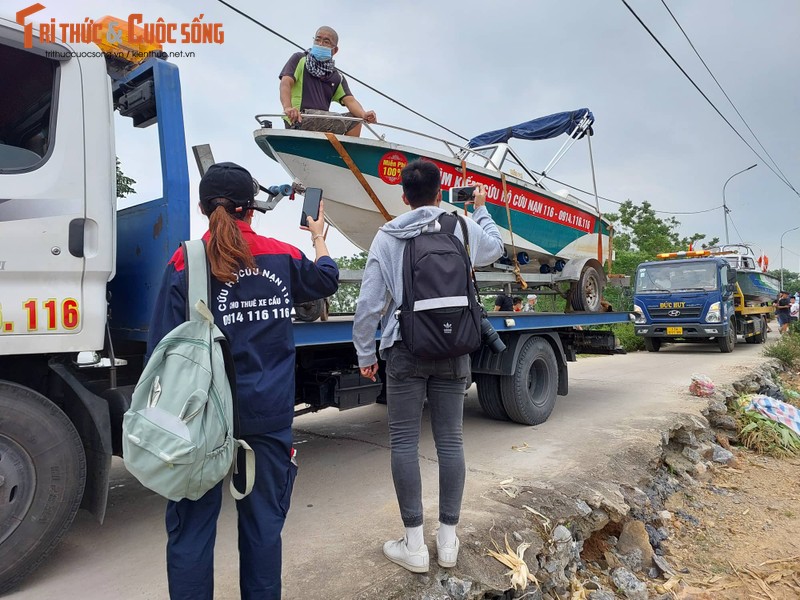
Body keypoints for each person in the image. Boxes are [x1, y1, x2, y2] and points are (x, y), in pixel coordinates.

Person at [147, 162, 339, 599]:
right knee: (263, 530)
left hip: (201, 423)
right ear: (251, 210)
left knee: (191, 532)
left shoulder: (185, 260)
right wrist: (318, 234)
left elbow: (160, 352)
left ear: (201, 208)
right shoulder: (281, 255)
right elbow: (325, 279)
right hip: (268, 417)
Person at [353, 160, 503, 573]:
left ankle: (414, 545)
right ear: (440, 193)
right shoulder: (459, 224)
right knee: (450, 442)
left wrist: (366, 354)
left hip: (405, 348)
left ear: (404, 197)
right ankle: (449, 539)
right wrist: (481, 210)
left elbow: (369, 305)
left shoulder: (388, 235)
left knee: (404, 442)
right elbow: (496, 248)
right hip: (455, 347)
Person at [279, 25, 377, 137]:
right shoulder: (300, 59)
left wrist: (364, 114)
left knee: (355, 119)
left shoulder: (336, 76)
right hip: (299, 118)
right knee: (333, 119)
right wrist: (287, 107)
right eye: (317, 39)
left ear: (334, 50)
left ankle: (346, 153)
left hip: (322, 121)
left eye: (326, 41)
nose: (320, 44)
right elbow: (286, 83)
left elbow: (350, 101)